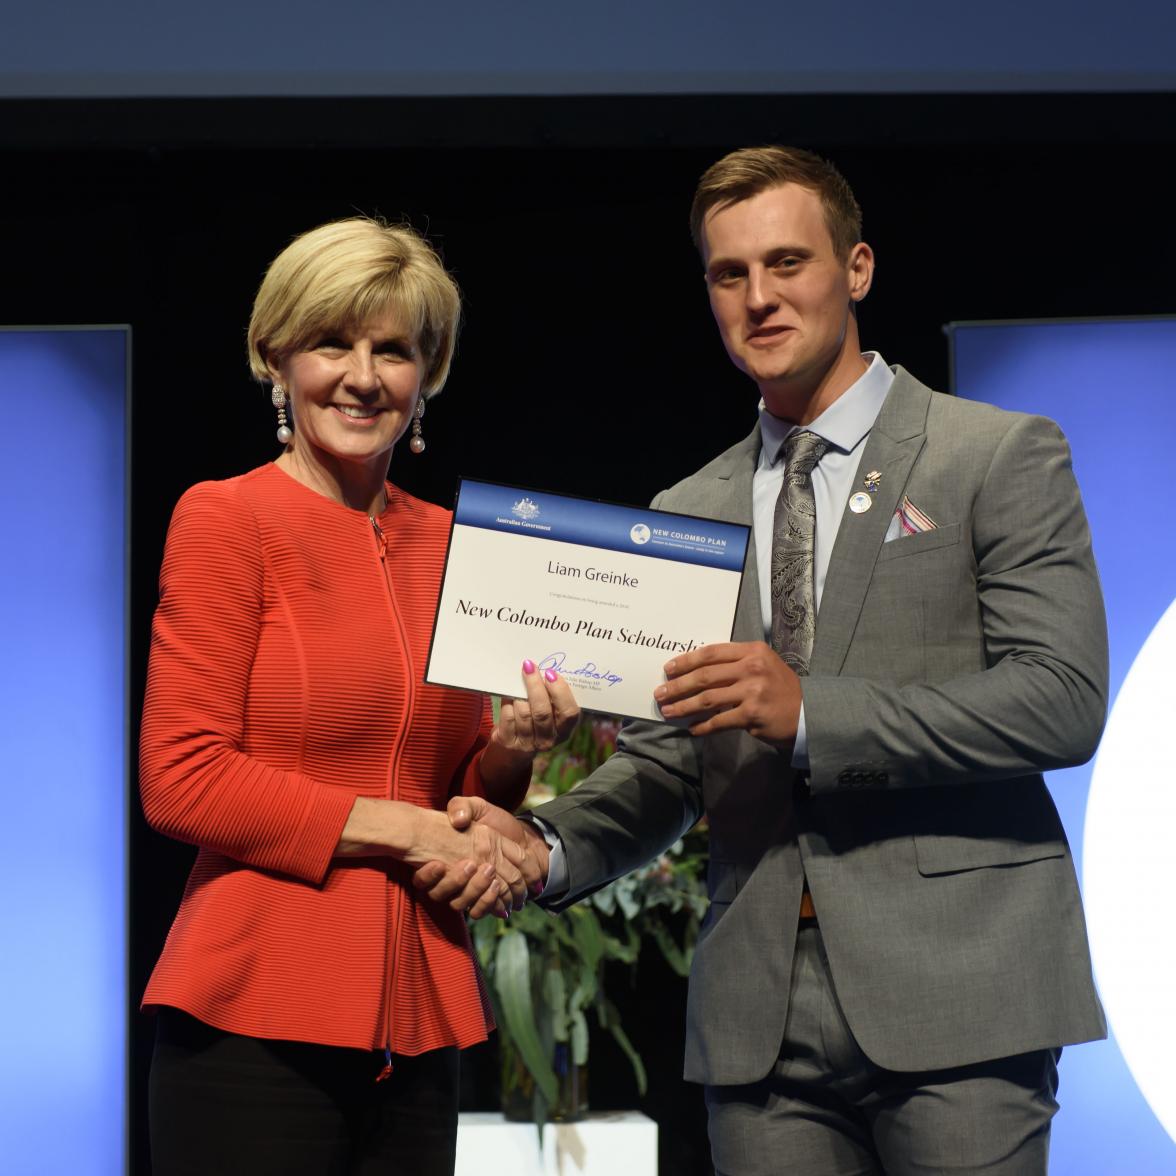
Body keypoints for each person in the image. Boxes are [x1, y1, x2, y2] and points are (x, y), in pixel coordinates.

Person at [416, 147, 1109, 1175]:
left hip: (963, 990)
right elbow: (668, 764)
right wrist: (543, 847)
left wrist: (811, 714)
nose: (760, 297)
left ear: (858, 268)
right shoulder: (686, 514)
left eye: (788, 262)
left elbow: (1061, 701)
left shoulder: (995, 455)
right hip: (759, 1014)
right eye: (729, 274)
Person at [139, 217, 576, 1176]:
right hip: (253, 1013)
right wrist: (410, 830)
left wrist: (513, 753)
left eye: (395, 351)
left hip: (415, 1019)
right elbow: (180, 781)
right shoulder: (225, 519)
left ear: (431, 373)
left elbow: (458, 787)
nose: (364, 376)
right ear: (274, 356)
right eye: (333, 343)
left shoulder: (459, 543)